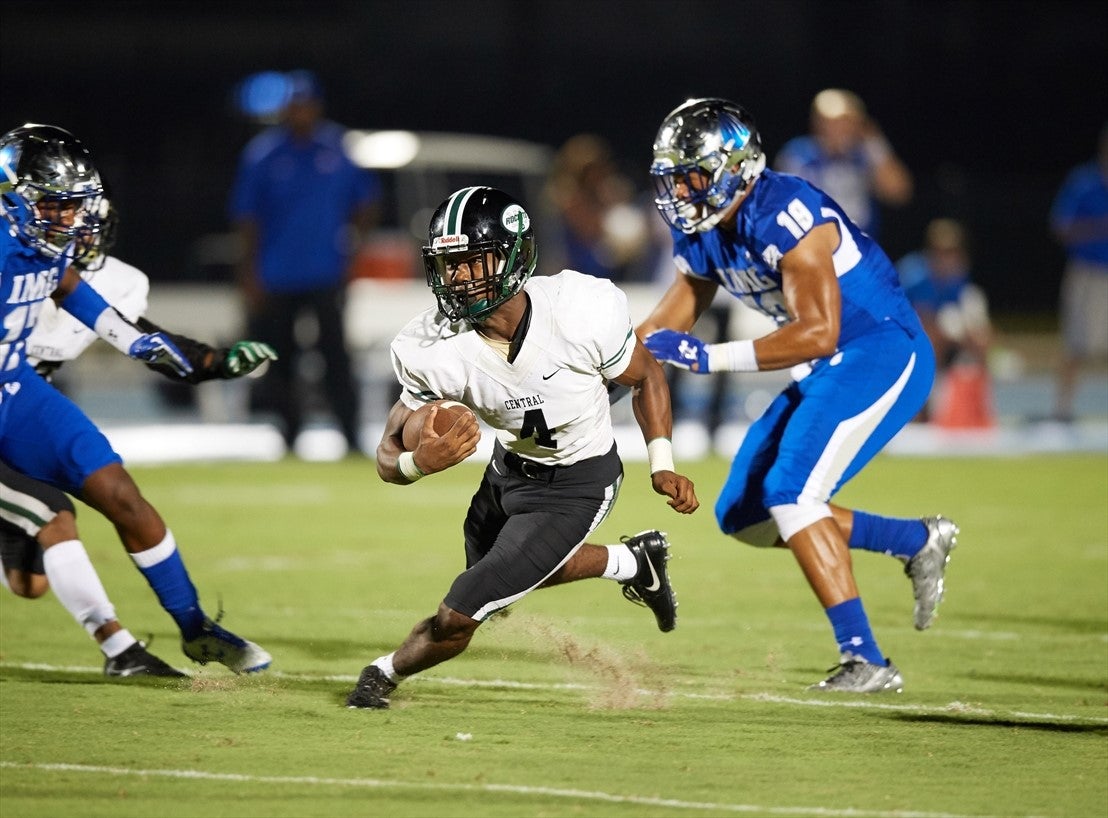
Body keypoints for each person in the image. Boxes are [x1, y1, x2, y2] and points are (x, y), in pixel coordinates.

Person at [639, 98, 958, 693]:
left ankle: (865, 659)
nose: (681, 190)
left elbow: (820, 331)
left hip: (880, 349)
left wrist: (710, 358)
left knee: (792, 492)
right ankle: (914, 540)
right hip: (827, 363)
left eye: (693, 175)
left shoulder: (783, 208)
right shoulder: (706, 233)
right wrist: (578, 372)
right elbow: (658, 334)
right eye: (674, 177)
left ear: (736, 168)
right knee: (746, 514)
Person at [345, 186, 699, 709]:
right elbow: (385, 455)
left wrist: (661, 462)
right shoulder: (430, 347)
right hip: (506, 471)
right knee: (510, 582)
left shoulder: (580, 308)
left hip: (578, 482)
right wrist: (417, 464)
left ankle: (381, 675)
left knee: (463, 611)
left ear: (512, 256)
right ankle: (632, 562)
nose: (456, 278)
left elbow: (645, 377)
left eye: (469, 262)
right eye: (446, 265)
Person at [1, 122, 272, 674]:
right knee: (51, 519)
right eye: (56, 206)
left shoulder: (40, 241)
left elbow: (71, 289)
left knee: (120, 492)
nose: (70, 219)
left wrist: (137, 341)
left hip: (16, 389)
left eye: (74, 206)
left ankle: (195, 628)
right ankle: (119, 649)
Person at [228, 69, 381, 454]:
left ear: (316, 106)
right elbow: (246, 219)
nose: (300, 112)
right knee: (281, 360)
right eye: (294, 105)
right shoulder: (263, 154)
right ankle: (289, 434)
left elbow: (368, 200)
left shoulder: (337, 147)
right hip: (277, 274)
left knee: (336, 357)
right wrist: (249, 273)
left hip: (326, 271)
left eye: (305, 104)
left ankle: (350, 434)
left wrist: (354, 245)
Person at [775, 89, 912, 239]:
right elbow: (785, 202)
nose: (839, 130)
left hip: (860, 246)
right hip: (815, 244)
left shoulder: (864, 154)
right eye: (831, 123)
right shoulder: (800, 154)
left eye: (845, 123)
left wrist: (874, 142)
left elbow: (898, 192)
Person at [897, 218, 993, 424]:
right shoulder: (914, 275)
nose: (948, 257)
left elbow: (956, 312)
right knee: (931, 342)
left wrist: (971, 339)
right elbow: (916, 319)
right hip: (896, 335)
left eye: (952, 251)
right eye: (943, 251)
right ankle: (922, 410)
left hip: (930, 330)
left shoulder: (957, 275)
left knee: (978, 340)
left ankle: (978, 407)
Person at [1048, 125, 1108, 423]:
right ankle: (1063, 409)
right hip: (1087, 272)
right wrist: (1099, 227)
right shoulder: (1084, 182)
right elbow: (1061, 226)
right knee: (1076, 342)